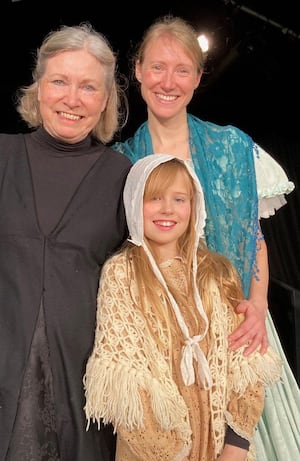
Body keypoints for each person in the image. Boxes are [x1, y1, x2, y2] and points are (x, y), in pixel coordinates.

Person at [112, 15, 299, 459]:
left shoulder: (232, 147)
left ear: (198, 77)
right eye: (157, 67)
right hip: (163, 334)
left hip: (236, 325)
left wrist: (257, 306)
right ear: (137, 69)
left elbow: (253, 238)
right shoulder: (119, 163)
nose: (168, 82)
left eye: (182, 70)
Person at [84, 154, 282, 461]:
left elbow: (244, 364)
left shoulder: (217, 273)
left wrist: (235, 447)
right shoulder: (122, 273)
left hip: (223, 449)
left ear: (194, 207)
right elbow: (127, 379)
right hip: (157, 453)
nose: (167, 209)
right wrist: (171, 454)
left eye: (179, 199)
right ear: (135, 203)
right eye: (155, 198)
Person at [0, 22, 132, 461]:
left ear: (106, 101)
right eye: (59, 81)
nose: (72, 99)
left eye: (88, 87)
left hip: (82, 405)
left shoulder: (124, 178)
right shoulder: (2, 156)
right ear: (38, 89)